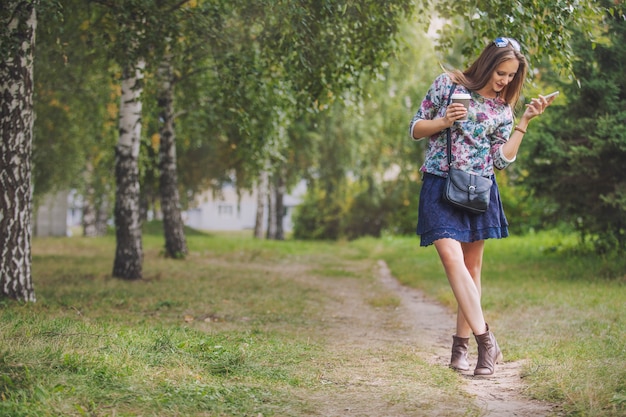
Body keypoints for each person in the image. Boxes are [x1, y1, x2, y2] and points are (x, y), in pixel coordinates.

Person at [409, 37, 556, 376]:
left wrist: (525, 121)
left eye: (510, 76)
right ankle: (487, 341)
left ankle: (460, 351)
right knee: (450, 256)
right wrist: (444, 121)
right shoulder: (448, 85)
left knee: (472, 270)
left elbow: (500, 161)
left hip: (478, 189)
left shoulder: (502, 110)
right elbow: (416, 128)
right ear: (487, 63)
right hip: (440, 183)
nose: (504, 80)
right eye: (500, 72)